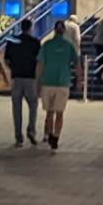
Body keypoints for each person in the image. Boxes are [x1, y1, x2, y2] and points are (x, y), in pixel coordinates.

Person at [37, 20, 78, 150]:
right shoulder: (69, 45)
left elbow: (40, 65)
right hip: (63, 83)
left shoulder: (46, 45)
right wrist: (80, 80)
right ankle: (56, 136)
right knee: (60, 113)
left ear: (54, 30)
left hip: (48, 82)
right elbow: (77, 64)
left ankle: (49, 134)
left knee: (50, 112)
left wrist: (37, 81)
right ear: (64, 31)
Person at [4, 20, 41, 146]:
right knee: (33, 105)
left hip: (16, 78)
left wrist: (13, 69)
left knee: (16, 108)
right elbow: (38, 61)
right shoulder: (35, 43)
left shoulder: (12, 41)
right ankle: (31, 130)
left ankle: (18, 137)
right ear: (31, 28)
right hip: (30, 78)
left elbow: (7, 60)